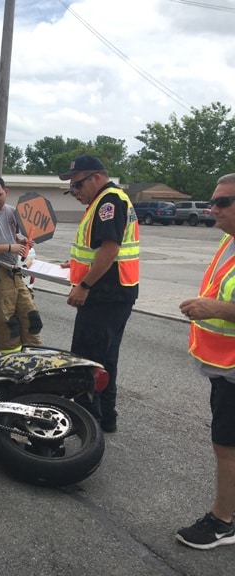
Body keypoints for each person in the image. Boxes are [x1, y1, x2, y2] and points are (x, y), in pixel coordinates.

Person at [59, 154, 139, 433]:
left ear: (96, 177)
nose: (74, 192)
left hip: (104, 295)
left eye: (77, 185)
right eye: (71, 188)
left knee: (86, 362)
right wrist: (76, 266)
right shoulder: (107, 200)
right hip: (116, 292)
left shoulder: (108, 201)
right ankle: (106, 417)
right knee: (106, 359)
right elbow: (100, 251)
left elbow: (110, 249)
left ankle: (86, 425)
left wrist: (84, 285)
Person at [176, 174, 235, 550]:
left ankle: (222, 522)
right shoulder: (229, 242)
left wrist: (215, 308)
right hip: (224, 368)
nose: (212, 208)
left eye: (222, 202)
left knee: (226, 447)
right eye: (213, 201)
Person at [0, 176, 42, 354]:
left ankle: (33, 360)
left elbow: (11, 235)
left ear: (6, 192)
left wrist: (23, 241)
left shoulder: (12, 212)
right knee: (7, 325)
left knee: (31, 318)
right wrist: (10, 247)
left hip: (13, 272)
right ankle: (12, 367)